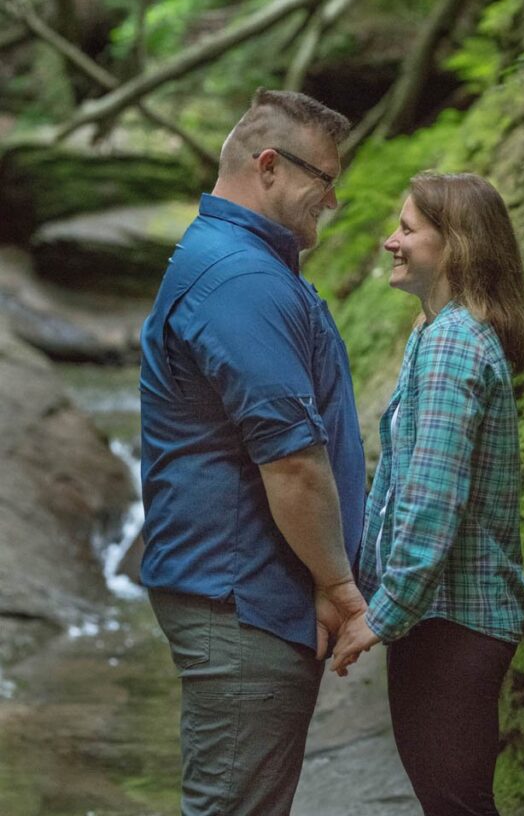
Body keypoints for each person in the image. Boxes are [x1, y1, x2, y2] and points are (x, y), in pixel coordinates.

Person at [139, 88, 367, 816]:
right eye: (323, 181)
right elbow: (293, 463)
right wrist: (337, 586)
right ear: (268, 166)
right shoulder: (240, 278)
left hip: (244, 593)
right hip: (244, 599)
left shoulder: (240, 263)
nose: (331, 201)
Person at [332, 171, 524, 816]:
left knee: (457, 805)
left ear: (456, 246)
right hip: (441, 619)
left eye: (408, 229)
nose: (391, 241)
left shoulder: (452, 344)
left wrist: (381, 613)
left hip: (457, 621)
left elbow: (431, 500)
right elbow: (401, 492)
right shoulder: (433, 333)